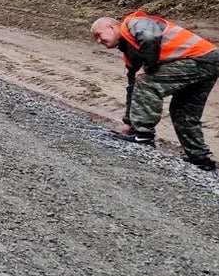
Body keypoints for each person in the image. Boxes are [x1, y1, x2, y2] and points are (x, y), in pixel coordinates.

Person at [91, 12, 219, 171]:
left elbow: (150, 37)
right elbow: (133, 88)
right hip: (209, 60)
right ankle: (200, 159)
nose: (99, 40)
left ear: (111, 26)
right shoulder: (130, 52)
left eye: (99, 34)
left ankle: (144, 135)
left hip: (199, 58)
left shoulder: (132, 23)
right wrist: (129, 122)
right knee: (183, 111)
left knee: (147, 82)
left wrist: (148, 68)